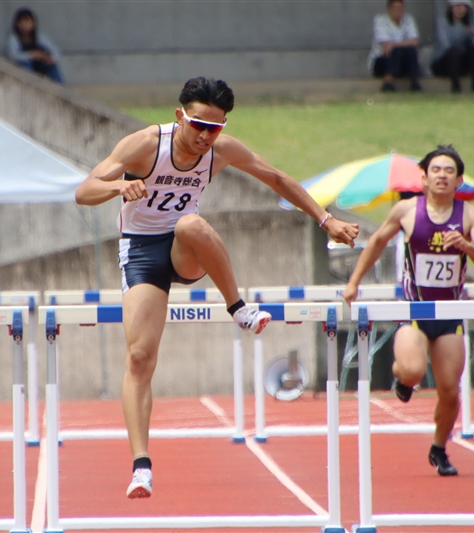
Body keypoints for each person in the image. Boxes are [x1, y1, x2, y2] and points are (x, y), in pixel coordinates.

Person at [75, 76, 360, 498]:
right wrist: (119, 185)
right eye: (198, 126)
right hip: (140, 252)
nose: (206, 137)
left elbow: (277, 179)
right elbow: (84, 191)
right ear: (179, 117)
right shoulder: (145, 144)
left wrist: (326, 220)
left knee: (191, 222)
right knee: (138, 357)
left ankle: (239, 308)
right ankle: (141, 467)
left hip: (185, 248)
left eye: (216, 128)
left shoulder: (221, 150)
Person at [343, 145, 474, 477]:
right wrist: (354, 282)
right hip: (414, 309)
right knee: (411, 370)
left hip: (450, 314)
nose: (442, 176)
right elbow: (376, 243)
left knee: (450, 390)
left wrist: (466, 246)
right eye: (436, 170)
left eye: (449, 171)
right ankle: (403, 379)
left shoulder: (470, 215)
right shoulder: (406, 211)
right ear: (424, 178)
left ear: (459, 179)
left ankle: (439, 449)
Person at [368, 0, 423, 92]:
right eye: (395, 9)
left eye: (400, 9)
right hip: (382, 61)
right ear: (388, 9)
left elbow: (414, 41)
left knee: (410, 50)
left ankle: (415, 83)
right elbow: (386, 45)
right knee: (396, 52)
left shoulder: (408, 19)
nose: (398, 12)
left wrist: (395, 44)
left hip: (402, 61)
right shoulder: (380, 20)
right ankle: (387, 83)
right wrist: (403, 43)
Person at [431, 0, 474, 93]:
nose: (460, 9)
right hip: (443, 63)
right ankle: (455, 86)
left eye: (463, 6)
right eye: (456, 6)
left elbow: (472, 45)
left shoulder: (468, 22)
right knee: (454, 52)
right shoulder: (442, 22)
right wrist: (463, 33)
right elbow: (445, 45)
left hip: (460, 63)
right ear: (450, 8)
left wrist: (471, 35)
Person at [7, 7, 64, 85]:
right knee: (26, 63)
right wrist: (31, 55)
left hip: (39, 66)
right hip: (22, 68)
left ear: (33, 23)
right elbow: (13, 56)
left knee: (52, 66)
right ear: (17, 24)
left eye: (27, 22)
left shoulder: (39, 36)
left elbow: (55, 50)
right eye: (21, 23)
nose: (25, 25)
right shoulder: (14, 38)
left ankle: (61, 89)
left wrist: (50, 58)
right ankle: (29, 85)